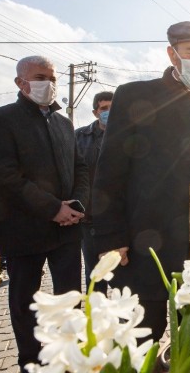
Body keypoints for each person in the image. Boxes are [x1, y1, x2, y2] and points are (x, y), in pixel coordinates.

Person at [90, 21, 190, 344]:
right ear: (172, 55)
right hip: (143, 238)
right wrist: (110, 235)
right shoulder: (136, 96)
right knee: (140, 335)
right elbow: (110, 170)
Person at [0, 56, 88, 370]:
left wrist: (77, 205)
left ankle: (70, 356)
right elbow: (5, 176)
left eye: (52, 77)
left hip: (68, 228)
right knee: (26, 300)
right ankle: (32, 360)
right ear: (20, 82)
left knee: (70, 297)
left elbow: (80, 167)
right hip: (24, 228)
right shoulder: (1, 120)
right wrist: (53, 208)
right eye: (41, 76)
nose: (49, 83)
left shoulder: (64, 123)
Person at [75, 91, 113, 292]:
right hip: (89, 218)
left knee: (123, 274)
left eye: (113, 107)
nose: (109, 112)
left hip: (120, 219)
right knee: (95, 274)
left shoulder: (130, 135)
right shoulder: (79, 137)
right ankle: (97, 318)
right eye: (104, 108)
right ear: (95, 112)